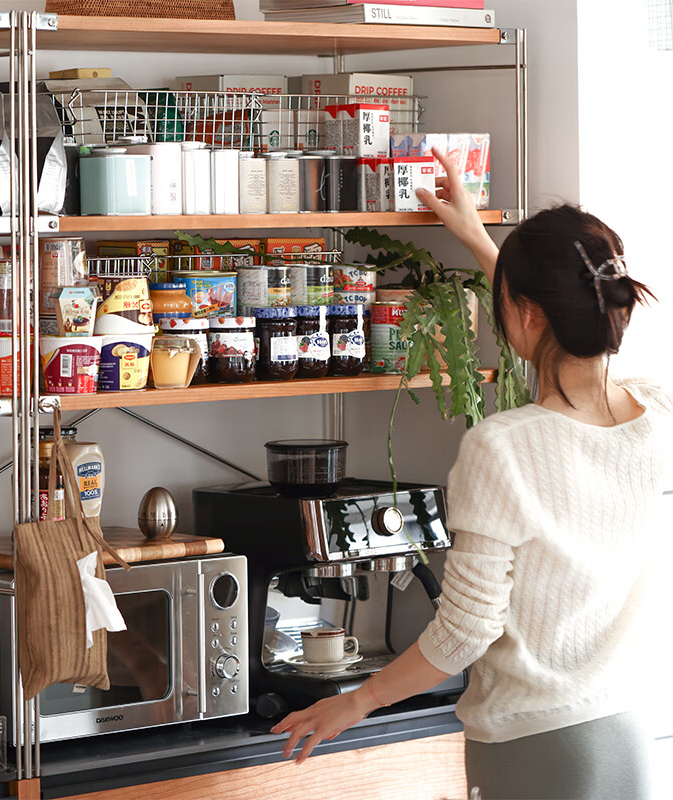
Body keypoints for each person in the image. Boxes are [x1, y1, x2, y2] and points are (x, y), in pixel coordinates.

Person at [270, 149, 673, 799]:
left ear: (527, 314)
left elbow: (463, 633)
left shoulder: (502, 448)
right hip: (627, 733)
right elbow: (570, 340)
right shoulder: (655, 413)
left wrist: (356, 702)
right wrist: (485, 246)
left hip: (535, 748)